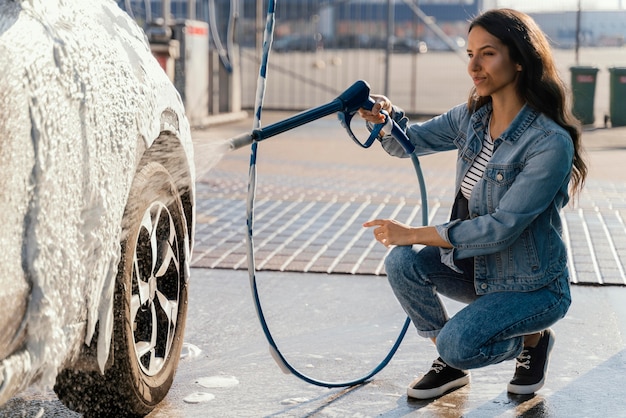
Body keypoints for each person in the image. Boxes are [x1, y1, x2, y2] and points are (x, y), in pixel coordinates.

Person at [359, 8, 587, 400]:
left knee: (458, 343)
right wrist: (383, 116)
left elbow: (500, 229)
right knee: (402, 261)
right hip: (480, 272)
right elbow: (407, 143)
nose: (474, 66)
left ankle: (530, 340)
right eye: (469, 54)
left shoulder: (549, 142)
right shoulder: (471, 119)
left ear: (519, 60)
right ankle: (452, 363)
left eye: (488, 53)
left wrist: (413, 232)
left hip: (532, 287)